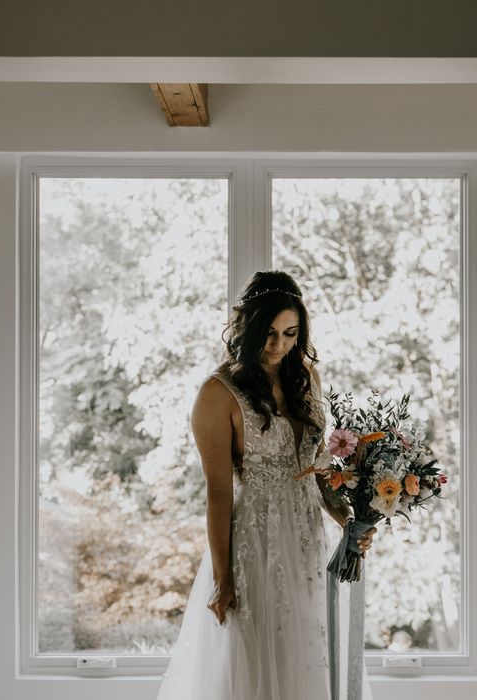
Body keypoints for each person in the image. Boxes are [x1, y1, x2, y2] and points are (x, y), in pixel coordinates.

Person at [155, 270, 376, 700]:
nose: (279, 346)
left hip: (308, 539)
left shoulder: (307, 379)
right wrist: (223, 579)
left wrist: (352, 519)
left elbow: (317, 471)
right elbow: (218, 493)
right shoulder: (217, 394)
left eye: (290, 333)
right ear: (247, 328)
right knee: (257, 662)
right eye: (269, 334)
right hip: (255, 543)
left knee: (310, 655)